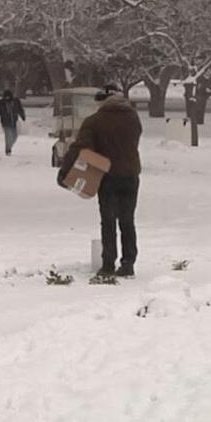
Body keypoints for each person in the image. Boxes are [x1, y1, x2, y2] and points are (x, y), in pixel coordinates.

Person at [62, 84, 142, 278]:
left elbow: (81, 147)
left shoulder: (94, 121)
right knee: (127, 220)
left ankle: (108, 264)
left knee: (108, 221)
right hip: (131, 175)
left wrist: (65, 172)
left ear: (102, 102)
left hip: (106, 177)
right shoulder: (133, 118)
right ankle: (128, 263)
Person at [0, 89, 27, 156]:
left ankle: (9, 146)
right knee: (8, 136)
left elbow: (20, 109)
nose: (7, 98)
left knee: (14, 136)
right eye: (6, 97)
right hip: (5, 122)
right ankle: (8, 150)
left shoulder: (16, 102)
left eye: (8, 97)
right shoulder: (1, 103)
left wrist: (23, 116)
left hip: (14, 122)